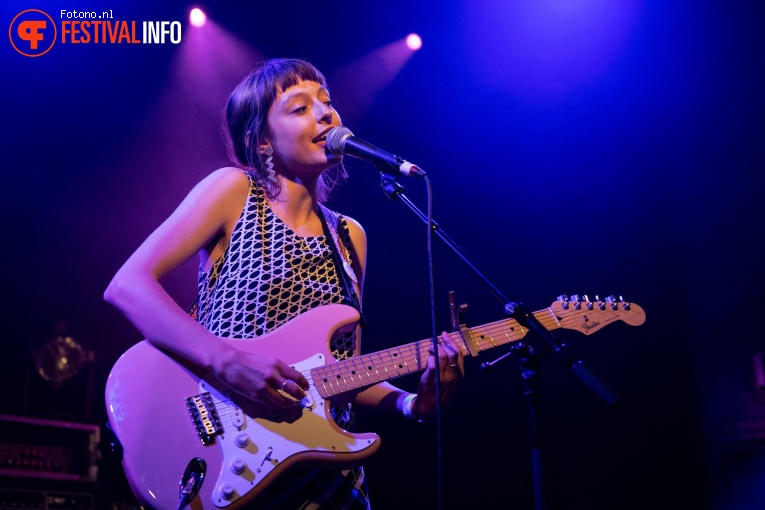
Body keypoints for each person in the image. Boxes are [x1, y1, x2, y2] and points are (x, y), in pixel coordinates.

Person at [104, 57, 464, 509]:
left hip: (329, 481)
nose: (325, 113)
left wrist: (413, 404)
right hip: (234, 453)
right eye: (300, 107)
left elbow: (341, 370)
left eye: (327, 103)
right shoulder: (234, 191)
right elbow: (128, 285)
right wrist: (227, 361)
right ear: (262, 141)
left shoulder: (351, 237)